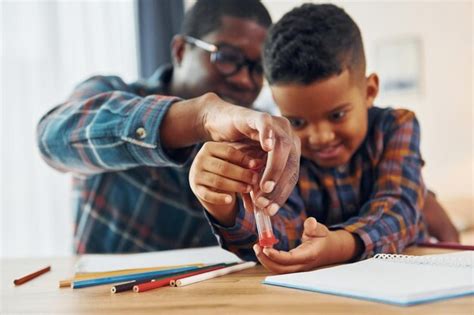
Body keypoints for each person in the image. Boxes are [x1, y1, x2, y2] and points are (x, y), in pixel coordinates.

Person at [189, 3, 459, 274]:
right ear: (277, 104)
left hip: (410, 275)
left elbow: (399, 208)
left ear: (369, 91)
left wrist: (341, 244)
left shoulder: (396, 127)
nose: (319, 137)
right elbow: (281, 235)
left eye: (337, 115)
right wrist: (225, 208)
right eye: (296, 121)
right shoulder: (278, 150)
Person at [36, 0, 300, 253]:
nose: (244, 80)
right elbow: (52, 140)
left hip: (216, 294)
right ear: (180, 51)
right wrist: (199, 117)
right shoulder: (110, 95)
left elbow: (280, 234)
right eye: (227, 57)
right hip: (109, 293)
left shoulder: (257, 137)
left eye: (258, 69)